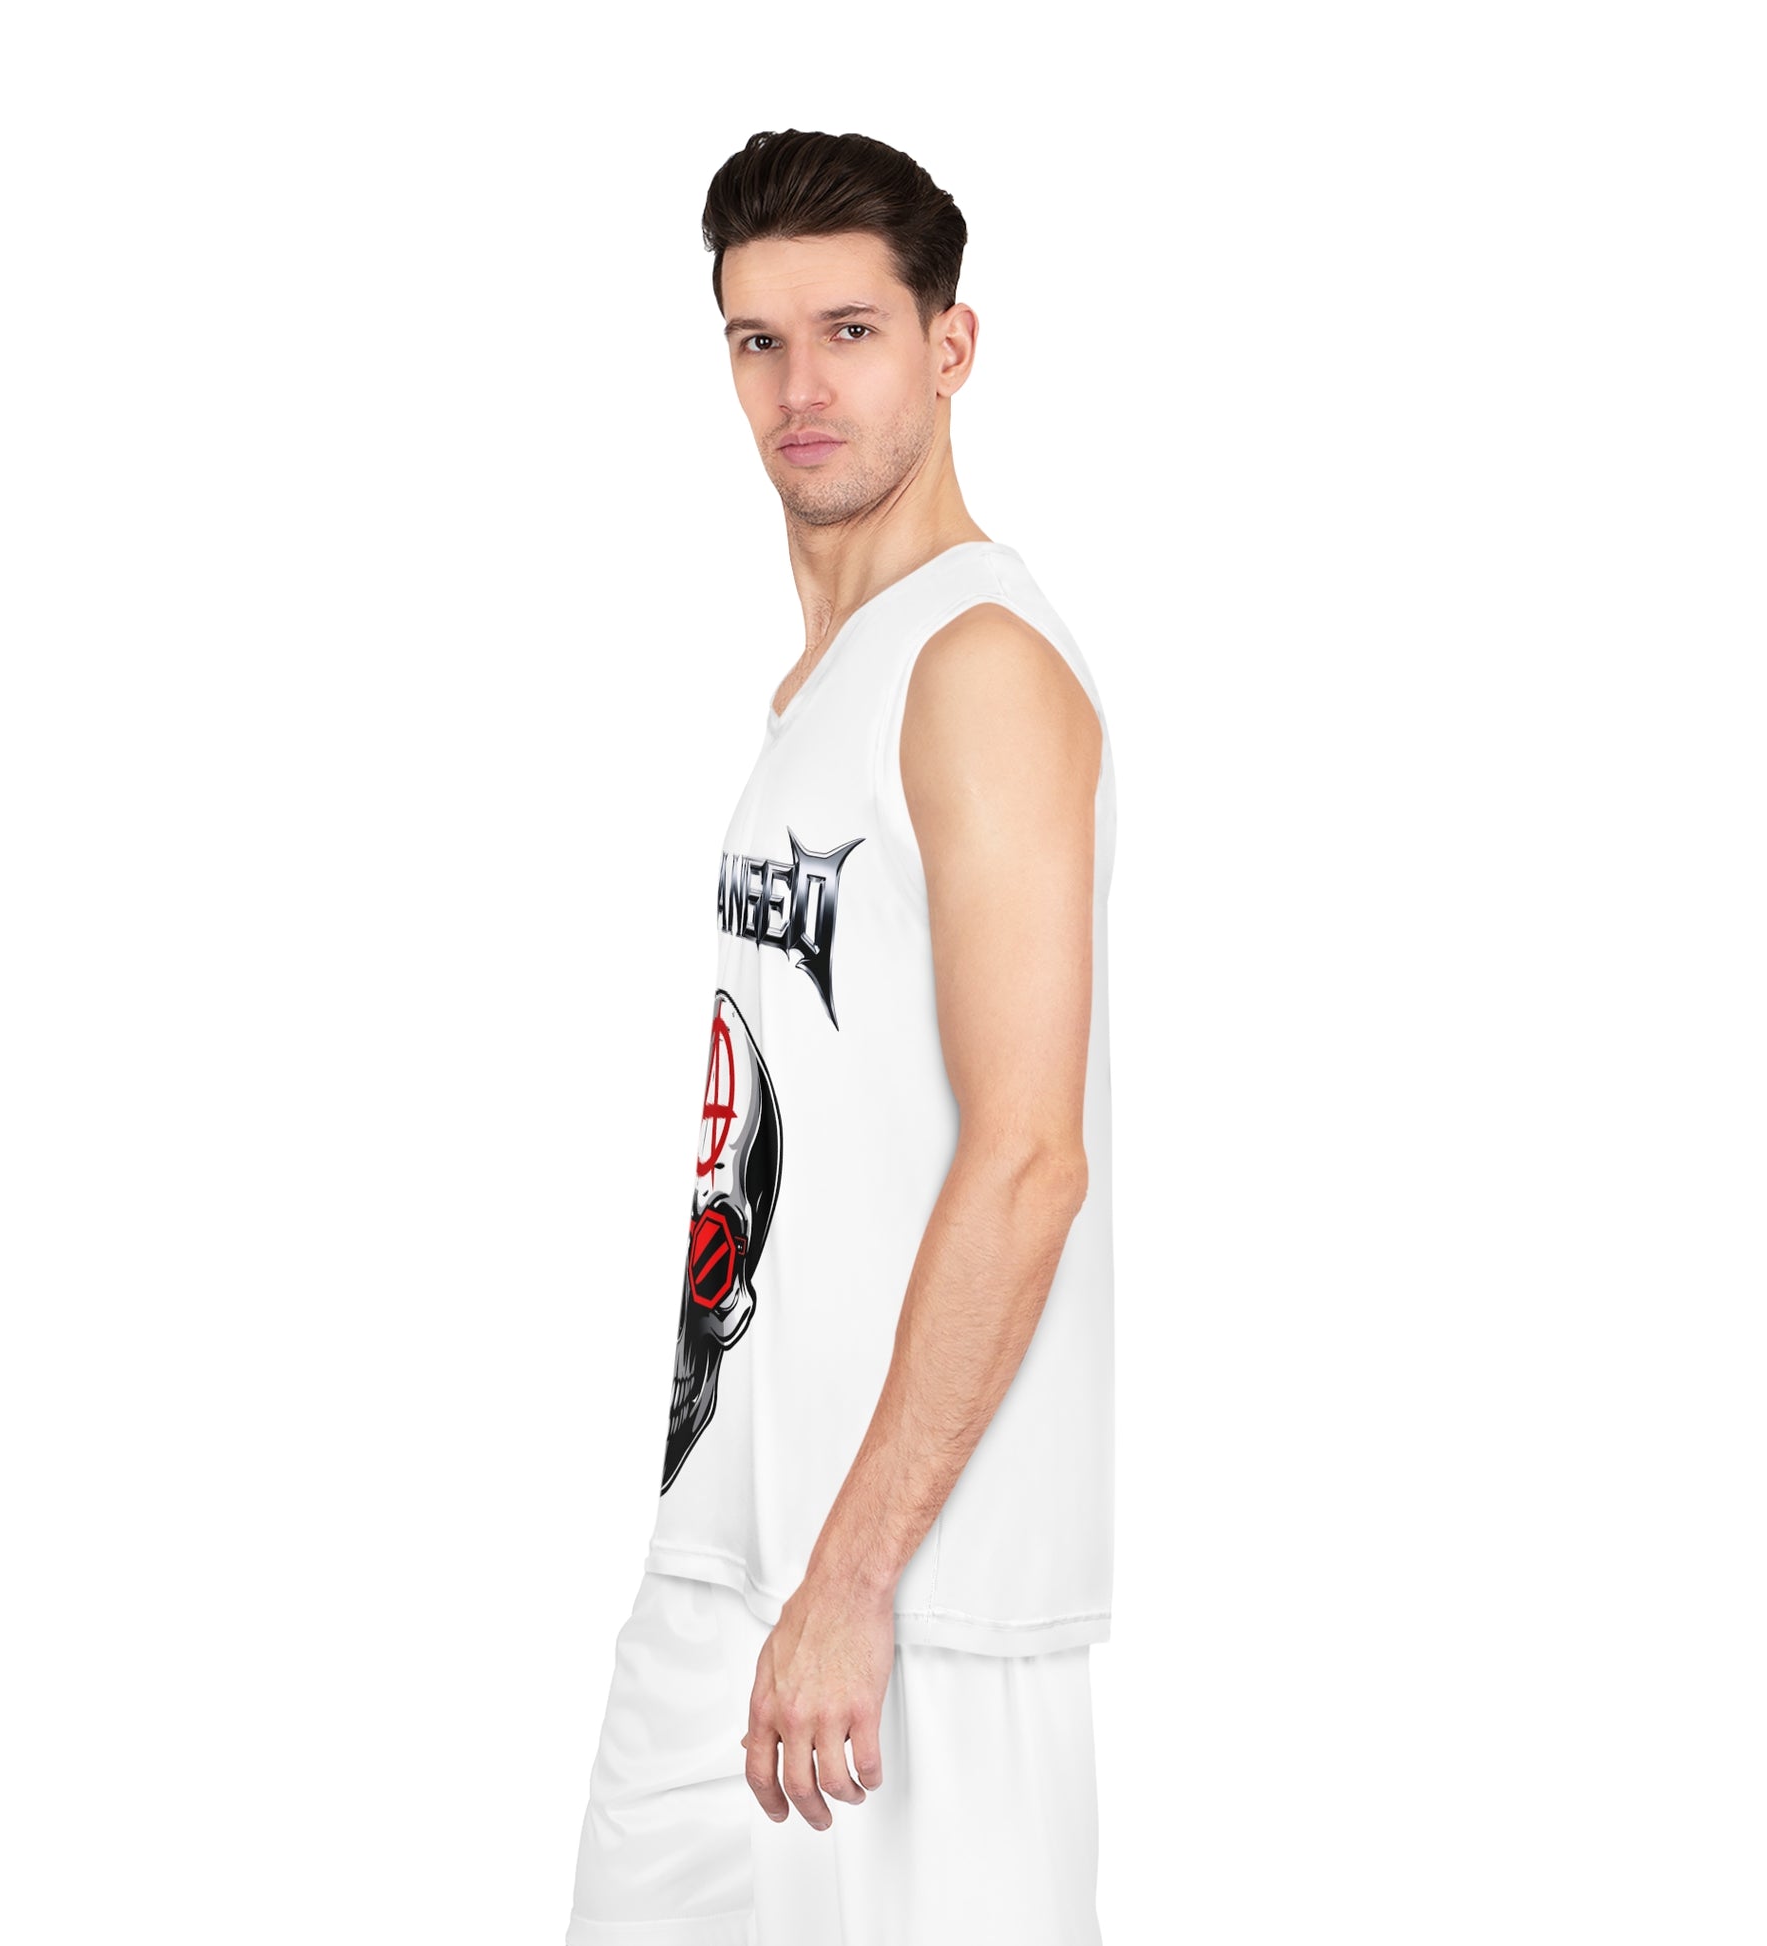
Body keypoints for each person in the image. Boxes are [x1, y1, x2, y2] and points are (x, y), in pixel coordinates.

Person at [564, 127, 1118, 1946]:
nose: (799, 388)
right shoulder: (829, 683)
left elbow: (1029, 1157)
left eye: (851, 332)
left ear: (950, 347)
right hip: (730, 1548)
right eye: (758, 339)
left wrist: (858, 1575)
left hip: (916, 1601)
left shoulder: (978, 666)